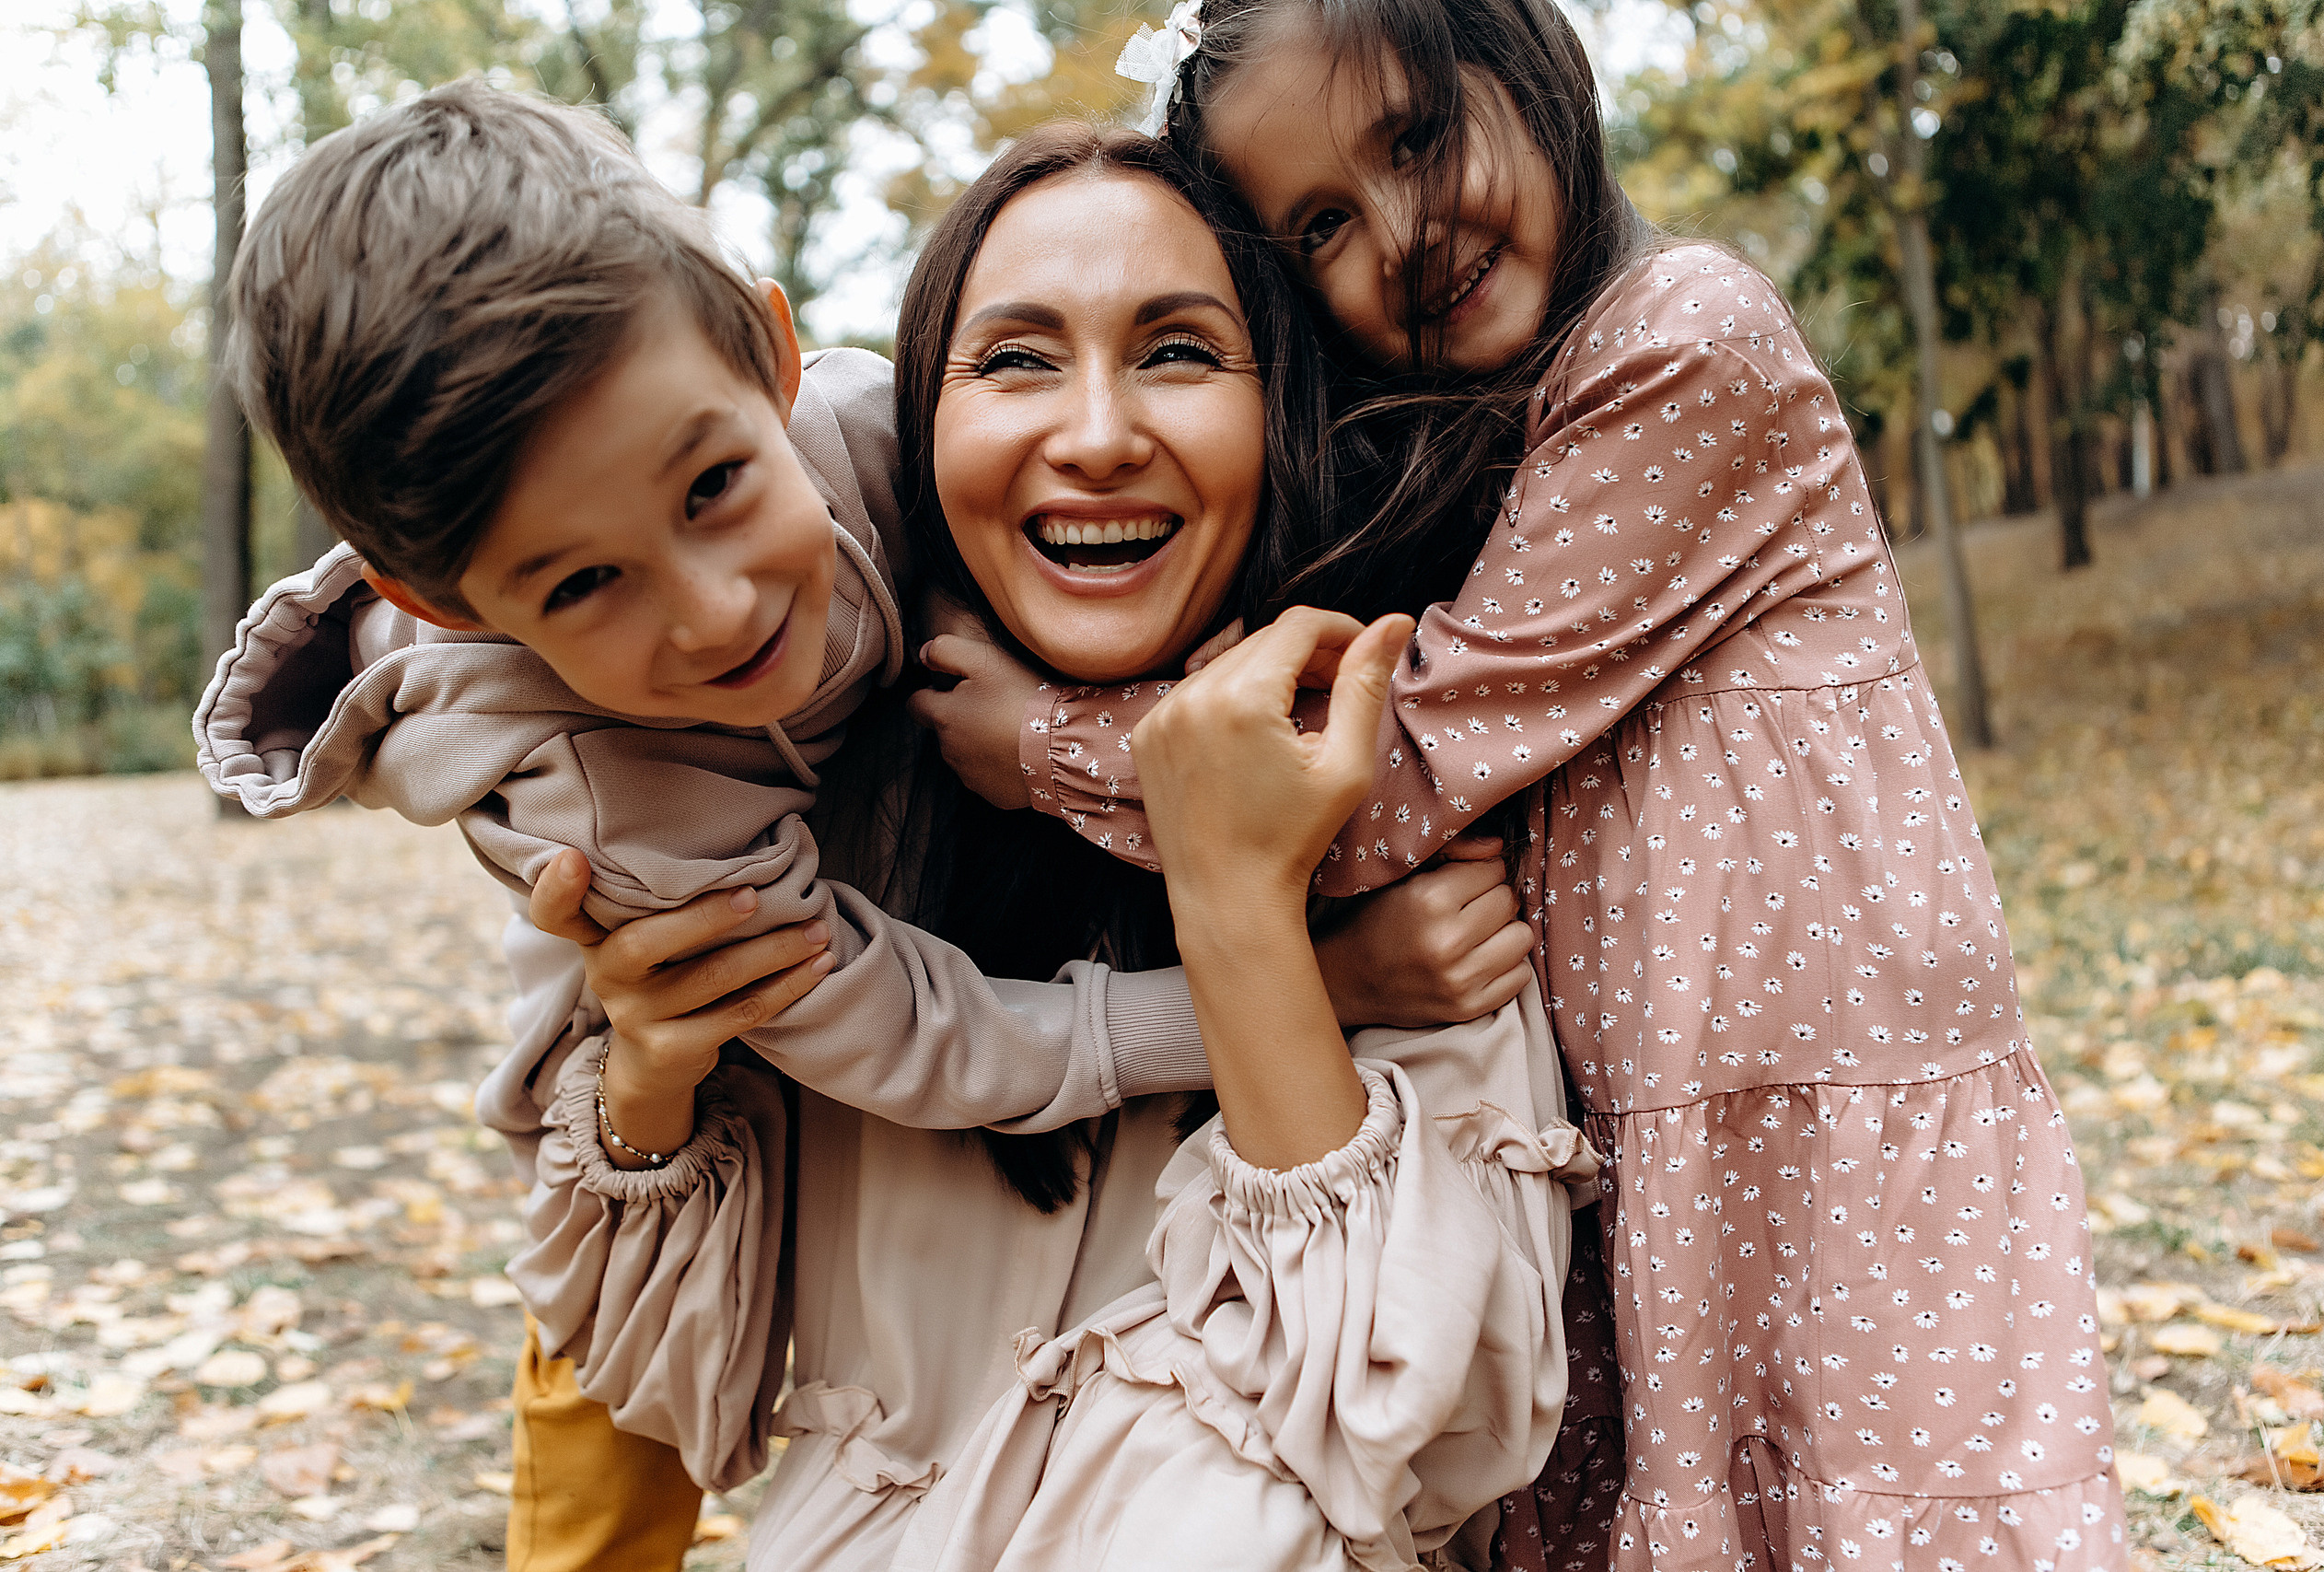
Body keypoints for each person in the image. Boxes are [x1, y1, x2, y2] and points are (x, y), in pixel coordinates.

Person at [187, 83, 1501, 1567]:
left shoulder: (886, 427)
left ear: (774, 353)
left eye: (717, 488)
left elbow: (970, 539)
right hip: (683, 957)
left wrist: (1042, 737)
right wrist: (1309, 987)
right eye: (580, 586)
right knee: (602, 1323)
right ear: (444, 602)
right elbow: (925, 1037)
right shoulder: (617, 813)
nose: (720, 608)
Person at [917, 3, 2128, 1568]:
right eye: (1322, 227)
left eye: (1416, 139)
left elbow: (1389, 770)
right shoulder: (1504, 428)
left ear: (1529, 64)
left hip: (1816, 1130)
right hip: (1660, 1133)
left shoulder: (1688, 342)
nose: (1404, 236)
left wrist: (1042, 743)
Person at [518, 122, 1598, 1571]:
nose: (1095, 435)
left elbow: (1398, 1429)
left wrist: (1243, 907)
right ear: (919, 424)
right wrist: (654, 1071)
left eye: (1178, 352)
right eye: (1016, 360)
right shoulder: (799, 802)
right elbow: (662, 1384)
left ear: (1277, 412)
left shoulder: (1389, 803)